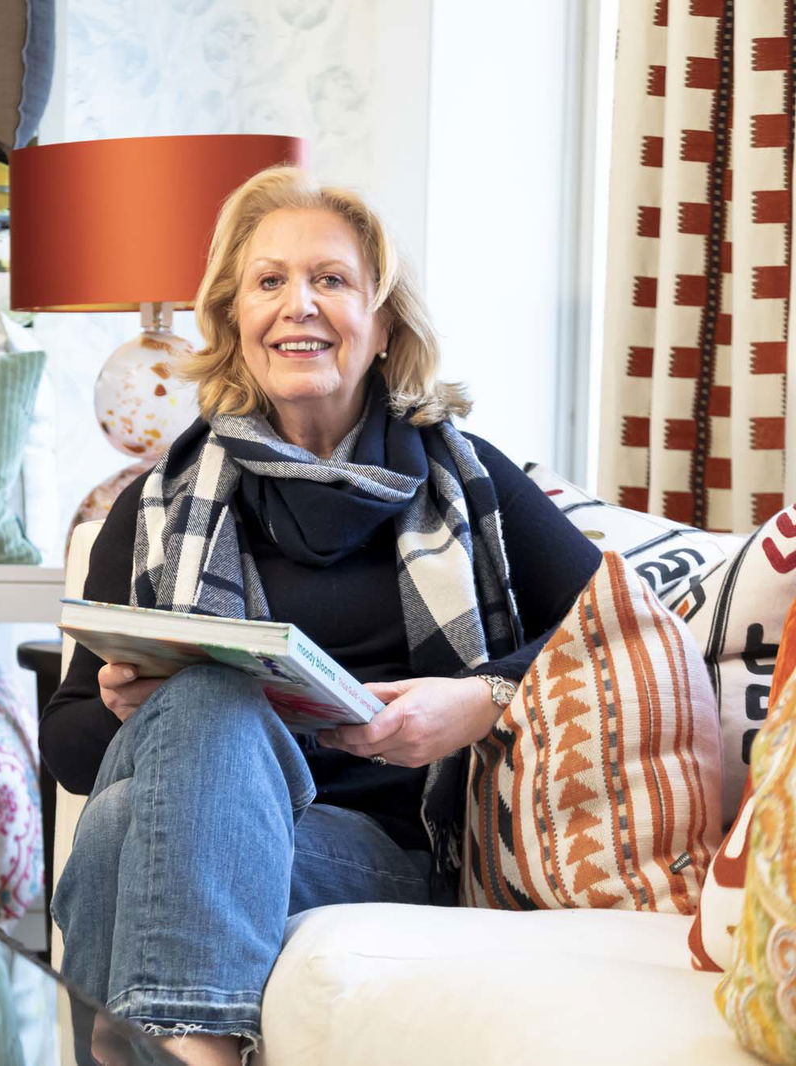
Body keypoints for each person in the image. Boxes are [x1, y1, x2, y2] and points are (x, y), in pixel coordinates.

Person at [40, 166, 601, 1066]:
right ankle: (196, 1048)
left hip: (382, 850)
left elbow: (616, 632)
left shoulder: (470, 480)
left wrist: (483, 700)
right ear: (234, 324)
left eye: (330, 280)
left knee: (123, 827)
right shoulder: (155, 507)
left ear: (382, 324)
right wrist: (117, 707)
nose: (297, 304)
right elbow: (67, 749)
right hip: (193, 837)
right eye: (268, 282)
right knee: (195, 720)